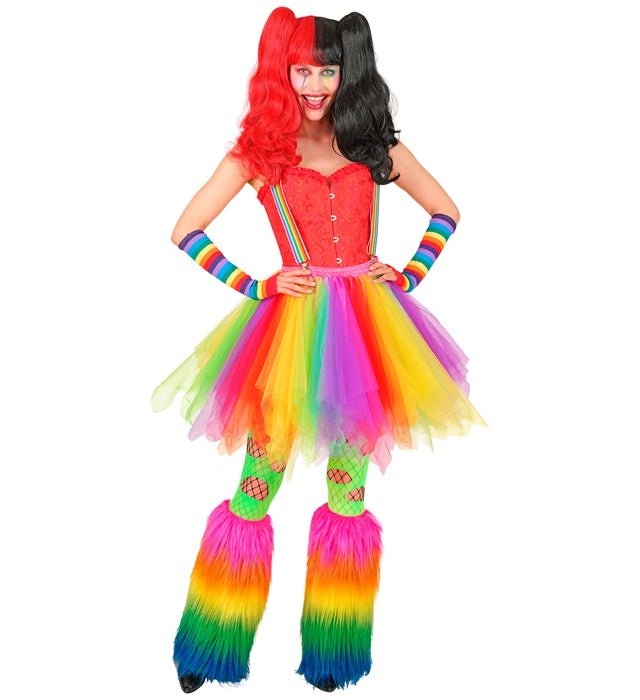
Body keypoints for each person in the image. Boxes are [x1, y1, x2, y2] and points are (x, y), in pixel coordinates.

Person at [151, 6, 488, 694]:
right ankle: (210, 644)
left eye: (326, 71)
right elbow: (186, 230)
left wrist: (409, 274)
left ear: (345, 71)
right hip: (291, 338)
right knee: (257, 485)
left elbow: (446, 210)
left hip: (368, 336)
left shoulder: (372, 147)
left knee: (347, 489)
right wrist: (256, 284)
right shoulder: (260, 154)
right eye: (301, 70)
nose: (313, 84)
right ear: (282, 73)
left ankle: (333, 651)